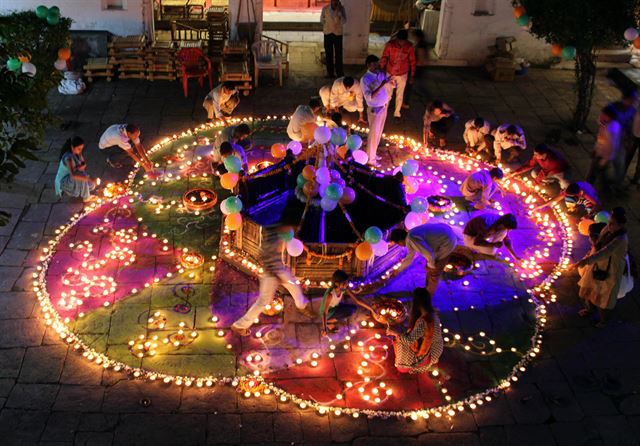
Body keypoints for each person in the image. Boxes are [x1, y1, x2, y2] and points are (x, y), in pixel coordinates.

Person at [231, 208, 316, 336]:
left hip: (278, 269)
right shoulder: (273, 236)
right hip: (271, 273)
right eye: (291, 227)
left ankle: (302, 305)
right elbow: (266, 256)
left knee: (293, 285)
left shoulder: (279, 231)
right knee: (264, 301)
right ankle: (240, 325)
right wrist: (276, 276)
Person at [573, 207, 629, 328]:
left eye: (613, 224)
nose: (609, 226)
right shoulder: (609, 229)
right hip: (597, 265)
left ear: (621, 225)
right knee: (588, 289)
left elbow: (605, 252)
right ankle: (590, 310)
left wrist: (585, 261)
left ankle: (603, 321)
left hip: (610, 271)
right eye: (609, 222)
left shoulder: (621, 239)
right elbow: (598, 244)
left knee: (603, 297)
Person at [389, 223, 457, 295]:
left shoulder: (412, 239)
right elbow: (409, 257)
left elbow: (430, 255)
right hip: (447, 234)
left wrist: (432, 268)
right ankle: (426, 288)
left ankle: (427, 296)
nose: (400, 246)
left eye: (398, 244)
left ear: (400, 241)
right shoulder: (411, 234)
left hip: (447, 243)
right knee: (428, 268)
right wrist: (398, 270)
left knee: (433, 274)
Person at [386, 287, 443, 374]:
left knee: (400, 342)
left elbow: (409, 340)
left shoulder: (424, 321)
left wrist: (394, 333)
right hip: (437, 347)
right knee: (404, 335)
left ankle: (419, 364)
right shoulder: (432, 313)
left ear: (417, 303)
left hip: (429, 352)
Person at [320, 269, 376, 335]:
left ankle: (330, 321)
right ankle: (328, 322)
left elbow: (357, 301)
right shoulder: (330, 295)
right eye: (344, 283)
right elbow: (324, 313)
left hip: (335, 306)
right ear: (337, 283)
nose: (346, 284)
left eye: (346, 282)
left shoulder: (343, 288)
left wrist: (372, 310)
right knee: (349, 312)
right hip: (329, 312)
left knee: (354, 308)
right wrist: (324, 329)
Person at [361, 55, 391, 167]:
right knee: (373, 134)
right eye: (373, 64)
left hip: (383, 106)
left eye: (377, 63)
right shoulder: (365, 79)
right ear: (368, 65)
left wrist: (388, 83)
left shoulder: (380, 74)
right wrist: (381, 85)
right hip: (375, 109)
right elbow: (369, 97)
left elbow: (386, 85)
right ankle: (370, 159)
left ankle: (373, 154)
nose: (376, 66)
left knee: (379, 133)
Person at [379, 29, 416, 119]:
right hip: (390, 72)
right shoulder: (390, 45)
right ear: (397, 39)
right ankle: (384, 110)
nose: (401, 43)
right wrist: (380, 69)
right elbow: (384, 57)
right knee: (388, 93)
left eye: (403, 41)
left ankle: (397, 113)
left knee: (400, 94)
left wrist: (412, 76)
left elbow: (412, 61)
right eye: (400, 41)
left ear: (406, 40)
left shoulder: (409, 47)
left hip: (403, 73)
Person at [586, 105, 623, 193]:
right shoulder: (604, 122)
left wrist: (604, 160)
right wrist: (595, 149)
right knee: (600, 173)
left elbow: (612, 147)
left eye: (603, 115)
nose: (601, 116)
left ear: (610, 116)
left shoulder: (613, 129)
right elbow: (600, 137)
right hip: (599, 152)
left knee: (593, 174)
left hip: (604, 155)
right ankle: (606, 188)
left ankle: (588, 189)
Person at [54, 137, 98, 203]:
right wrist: (89, 179)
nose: (80, 151)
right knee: (82, 175)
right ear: (72, 147)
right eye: (79, 149)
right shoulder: (68, 158)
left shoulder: (76, 152)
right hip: (64, 181)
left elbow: (83, 163)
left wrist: (80, 156)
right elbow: (73, 175)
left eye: (81, 149)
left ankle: (82, 188)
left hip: (72, 176)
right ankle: (86, 197)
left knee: (92, 186)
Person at [533, 181, 599, 218]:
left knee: (591, 212)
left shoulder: (585, 193)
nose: (565, 195)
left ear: (577, 194)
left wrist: (588, 215)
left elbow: (596, 204)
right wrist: (541, 206)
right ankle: (574, 208)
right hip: (579, 196)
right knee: (569, 199)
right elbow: (555, 199)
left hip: (589, 198)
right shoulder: (569, 189)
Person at [320, 0, 346, 78]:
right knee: (328, 54)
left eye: (337, 1)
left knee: (338, 54)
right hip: (328, 34)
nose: (335, 2)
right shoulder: (325, 9)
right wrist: (327, 25)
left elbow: (344, 21)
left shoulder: (342, 9)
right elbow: (321, 20)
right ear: (331, 1)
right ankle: (330, 73)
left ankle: (339, 73)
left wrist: (340, 12)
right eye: (334, 1)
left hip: (338, 34)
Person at [403, 29, 429, 107]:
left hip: (417, 69)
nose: (411, 37)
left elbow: (421, 60)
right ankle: (406, 101)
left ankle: (406, 102)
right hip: (416, 68)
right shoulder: (418, 43)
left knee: (412, 86)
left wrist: (412, 66)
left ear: (416, 36)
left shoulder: (421, 46)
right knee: (413, 85)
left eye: (412, 35)